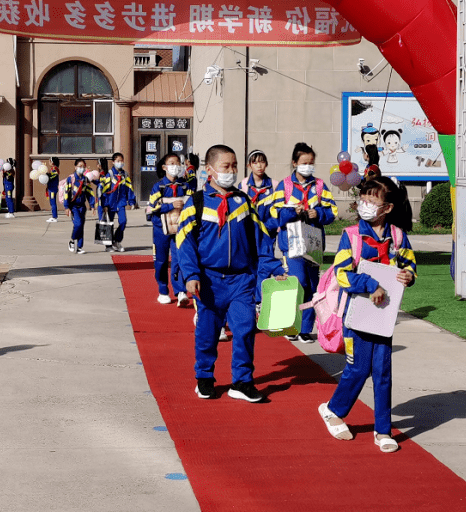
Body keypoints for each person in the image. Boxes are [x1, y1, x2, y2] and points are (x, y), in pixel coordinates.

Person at [176, 144, 286, 403]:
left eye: (234, 166)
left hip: (241, 280)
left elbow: (261, 239)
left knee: (245, 328)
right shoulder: (197, 202)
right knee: (208, 332)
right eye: (226, 166)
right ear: (210, 170)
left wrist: (274, 268)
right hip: (209, 280)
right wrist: (191, 275)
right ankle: (204, 378)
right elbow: (184, 242)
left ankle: (242, 382)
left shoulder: (243, 201)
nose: (231, 171)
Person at [318, 176, 416, 453]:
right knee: (358, 368)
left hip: (383, 316)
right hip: (356, 315)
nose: (366, 204)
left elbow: (409, 264)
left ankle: (383, 430)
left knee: (383, 372)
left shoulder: (398, 236)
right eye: (364, 199)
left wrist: (409, 275)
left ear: (388, 208)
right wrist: (369, 284)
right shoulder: (351, 235)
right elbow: (341, 274)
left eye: (373, 200)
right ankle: (334, 410)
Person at [269, 142, 336, 343]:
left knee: (312, 286)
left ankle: (305, 329)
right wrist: (292, 212)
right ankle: (291, 325)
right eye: (304, 162)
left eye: (311, 163)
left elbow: (332, 211)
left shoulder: (320, 185)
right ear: (294, 163)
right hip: (291, 244)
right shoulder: (284, 186)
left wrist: (319, 213)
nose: (308, 166)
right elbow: (275, 212)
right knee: (297, 283)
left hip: (313, 244)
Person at [148, 153, 192, 305]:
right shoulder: (158, 187)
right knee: (161, 261)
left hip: (179, 228)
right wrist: (170, 205)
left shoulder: (185, 186)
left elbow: (192, 203)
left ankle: (180, 291)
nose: (176, 166)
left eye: (178, 163)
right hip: (161, 229)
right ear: (164, 167)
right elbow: (152, 208)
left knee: (179, 259)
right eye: (172, 163)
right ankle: (163, 290)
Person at [99, 153, 138, 253]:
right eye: (118, 161)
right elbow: (103, 190)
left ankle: (116, 241)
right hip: (110, 203)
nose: (120, 163)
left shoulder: (125, 175)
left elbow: (129, 188)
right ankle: (108, 246)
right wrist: (104, 204)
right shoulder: (109, 174)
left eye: (121, 161)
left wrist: (132, 201)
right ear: (113, 162)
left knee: (123, 221)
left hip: (121, 202)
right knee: (109, 224)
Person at [63, 159, 95, 254]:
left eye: (83, 166)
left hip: (82, 206)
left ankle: (79, 247)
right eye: (80, 166)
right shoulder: (71, 179)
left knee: (81, 226)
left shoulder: (85, 180)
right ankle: (72, 240)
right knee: (78, 224)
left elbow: (89, 193)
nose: (82, 168)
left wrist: (92, 205)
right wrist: (66, 207)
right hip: (73, 206)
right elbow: (66, 193)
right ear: (75, 167)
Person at [44, 157, 61, 223]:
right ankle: (53, 216)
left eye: (49, 161)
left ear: (52, 162)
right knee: (51, 202)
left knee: (53, 202)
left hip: (53, 189)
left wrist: (47, 175)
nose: (49, 163)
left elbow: (52, 177)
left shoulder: (55, 169)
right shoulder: (52, 169)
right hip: (51, 188)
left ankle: (54, 217)